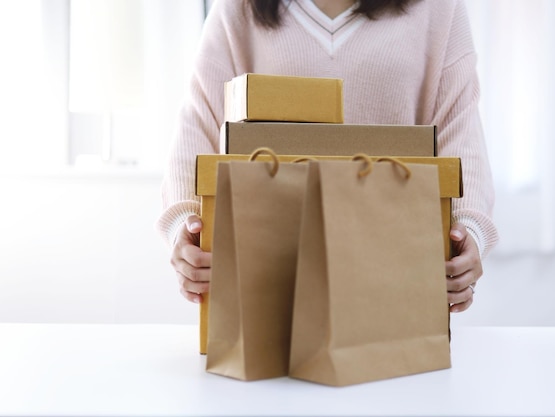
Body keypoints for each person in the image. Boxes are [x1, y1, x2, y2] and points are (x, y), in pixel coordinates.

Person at [156, 0, 499, 313]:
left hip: (395, 283)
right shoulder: (237, 9)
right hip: (266, 288)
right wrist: (184, 230)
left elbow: (461, 131)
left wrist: (468, 235)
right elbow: (198, 127)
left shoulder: (440, 8)